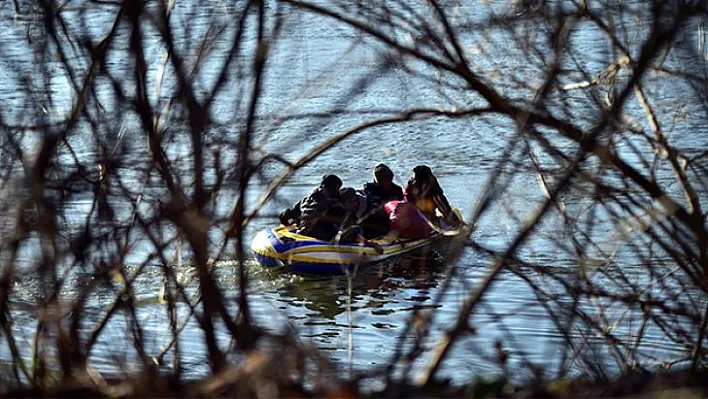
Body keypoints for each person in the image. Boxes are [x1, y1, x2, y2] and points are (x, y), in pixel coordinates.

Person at [279, 174, 345, 241]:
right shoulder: (333, 203)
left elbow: (283, 216)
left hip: (301, 234)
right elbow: (345, 219)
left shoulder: (304, 201)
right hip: (321, 238)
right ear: (336, 188)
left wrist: (291, 226)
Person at [335, 187, 384, 253]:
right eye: (350, 202)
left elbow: (355, 230)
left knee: (358, 228)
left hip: (372, 219)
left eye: (355, 201)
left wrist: (371, 243)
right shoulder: (340, 208)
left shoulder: (364, 207)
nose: (354, 204)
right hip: (356, 222)